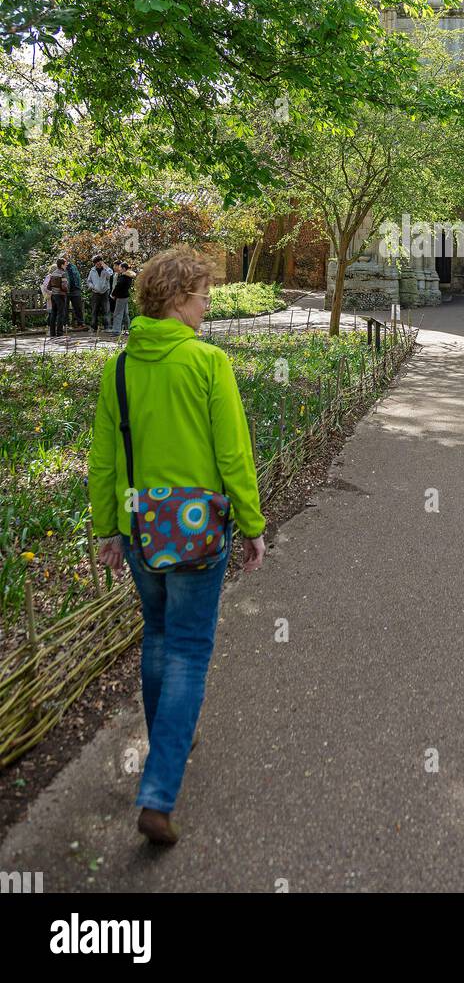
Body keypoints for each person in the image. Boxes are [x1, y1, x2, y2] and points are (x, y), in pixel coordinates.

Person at [89, 245, 267, 847]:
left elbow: (105, 459)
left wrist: (107, 530)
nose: (207, 304)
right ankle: (160, 790)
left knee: (158, 635)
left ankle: (170, 729)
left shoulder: (120, 369)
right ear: (176, 298)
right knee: (190, 648)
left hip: (142, 530)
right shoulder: (208, 363)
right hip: (198, 531)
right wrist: (252, 522)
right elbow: (232, 453)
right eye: (202, 295)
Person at [42, 257, 69, 337]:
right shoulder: (63, 273)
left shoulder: (53, 273)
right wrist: (67, 291)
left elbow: (48, 286)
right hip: (60, 295)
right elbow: (64, 286)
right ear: (61, 265)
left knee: (53, 313)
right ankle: (59, 333)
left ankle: (52, 332)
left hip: (53, 295)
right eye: (65, 264)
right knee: (61, 314)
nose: (66, 266)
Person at [109, 261, 136, 335]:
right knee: (125, 314)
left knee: (117, 314)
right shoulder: (129, 276)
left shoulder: (124, 277)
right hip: (125, 296)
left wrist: (114, 294)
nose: (119, 269)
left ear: (124, 268)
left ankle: (116, 331)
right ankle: (129, 329)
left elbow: (118, 286)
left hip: (121, 297)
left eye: (120, 267)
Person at [87, 255, 114, 331]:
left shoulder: (107, 269)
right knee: (94, 310)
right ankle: (93, 327)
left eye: (99, 261)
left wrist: (105, 267)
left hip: (105, 292)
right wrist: (92, 286)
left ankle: (108, 327)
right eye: (96, 262)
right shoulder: (92, 270)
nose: (98, 263)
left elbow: (110, 276)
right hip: (95, 292)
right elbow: (89, 281)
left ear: (101, 261)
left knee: (106, 310)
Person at [65, 258, 85, 328]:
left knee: (78, 307)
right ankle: (65, 324)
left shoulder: (73, 266)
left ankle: (80, 323)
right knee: (65, 308)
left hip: (75, 289)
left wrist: (79, 287)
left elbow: (78, 277)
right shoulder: (60, 267)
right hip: (65, 291)